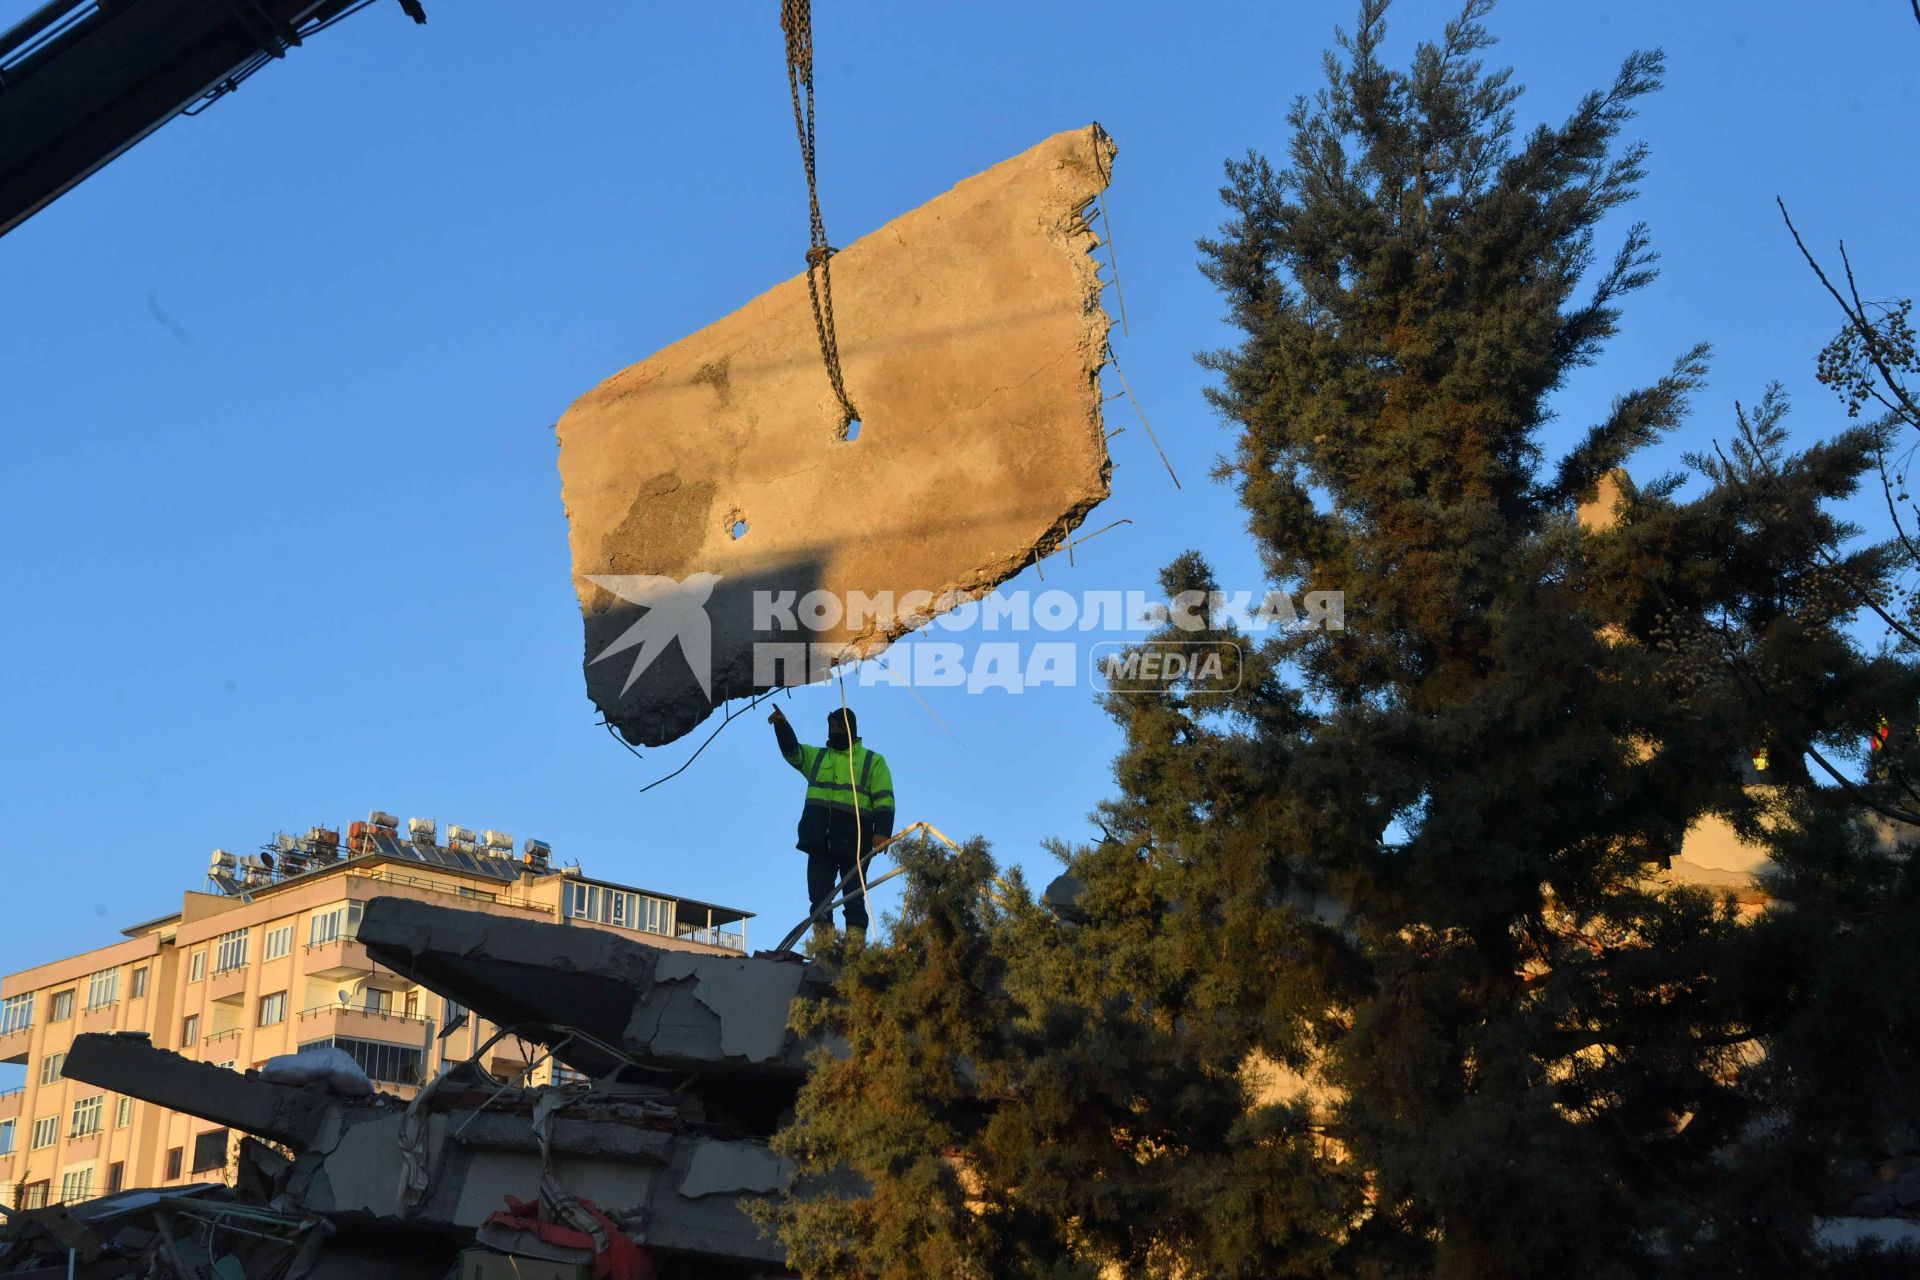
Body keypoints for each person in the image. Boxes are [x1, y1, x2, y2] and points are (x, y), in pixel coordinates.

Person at [768, 704, 894, 945]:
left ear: (850, 728)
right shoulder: (817, 757)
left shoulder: (872, 761)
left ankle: (854, 952)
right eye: (831, 726)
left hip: (855, 842)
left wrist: (882, 833)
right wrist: (782, 726)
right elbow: (793, 753)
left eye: (838, 726)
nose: (833, 730)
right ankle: (825, 952)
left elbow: (884, 799)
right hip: (819, 841)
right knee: (819, 900)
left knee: (854, 897)